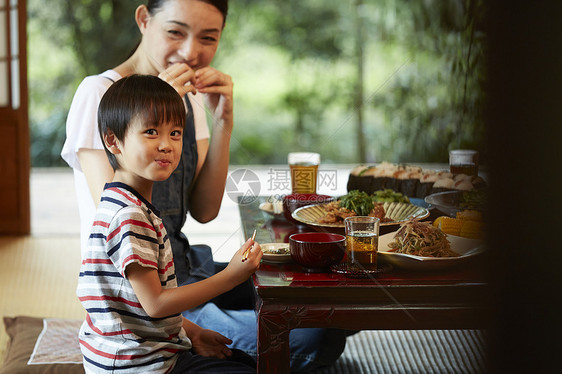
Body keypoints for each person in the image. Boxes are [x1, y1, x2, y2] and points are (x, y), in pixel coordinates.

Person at [62, 0, 347, 371]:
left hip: (186, 265)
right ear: (144, 19)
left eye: (207, 38)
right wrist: (154, 104)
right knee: (315, 336)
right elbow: (117, 206)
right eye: (175, 32)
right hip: (145, 288)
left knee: (325, 298)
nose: (191, 52)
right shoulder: (98, 94)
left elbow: (205, 209)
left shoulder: (189, 100)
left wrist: (222, 121)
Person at [77, 74, 261, 373]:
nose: (166, 145)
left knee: (244, 363)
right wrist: (231, 275)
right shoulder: (129, 216)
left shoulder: (125, 201)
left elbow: (137, 306)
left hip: (150, 352)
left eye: (175, 133)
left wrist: (194, 332)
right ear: (113, 140)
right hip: (139, 365)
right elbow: (157, 304)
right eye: (151, 132)